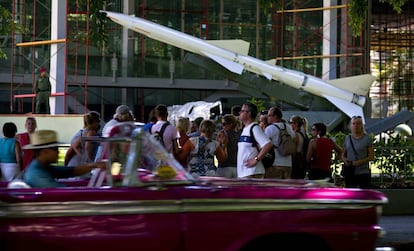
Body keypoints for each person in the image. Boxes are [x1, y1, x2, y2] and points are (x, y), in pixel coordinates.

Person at [23, 130, 107, 188]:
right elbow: (61, 192)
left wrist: (94, 165)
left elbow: (71, 171)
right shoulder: (37, 174)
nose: (58, 152)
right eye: (55, 149)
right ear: (44, 152)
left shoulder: (43, 166)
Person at [237, 102, 273, 178]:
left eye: (243, 111)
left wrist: (256, 159)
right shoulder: (246, 129)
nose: (240, 112)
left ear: (249, 113)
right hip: (245, 173)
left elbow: (268, 144)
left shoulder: (255, 128)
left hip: (253, 173)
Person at [341, 116, 374, 188]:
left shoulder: (367, 139)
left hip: (363, 172)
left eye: (358, 124)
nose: (356, 126)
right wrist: (345, 160)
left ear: (361, 125)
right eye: (354, 124)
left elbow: (371, 157)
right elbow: (343, 154)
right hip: (350, 172)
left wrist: (360, 162)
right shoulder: (347, 138)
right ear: (350, 126)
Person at [265, 107, 296, 179]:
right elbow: (294, 139)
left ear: (275, 116)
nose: (268, 117)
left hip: (274, 163)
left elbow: (264, 145)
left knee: (273, 188)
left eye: (269, 115)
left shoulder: (270, 128)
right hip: (288, 164)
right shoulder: (288, 127)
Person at [217, 114, 240, 178]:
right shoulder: (240, 134)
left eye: (224, 124)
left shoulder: (223, 133)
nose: (222, 126)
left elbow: (218, 148)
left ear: (231, 124)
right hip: (237, 167)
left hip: (224, 166)